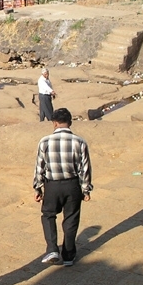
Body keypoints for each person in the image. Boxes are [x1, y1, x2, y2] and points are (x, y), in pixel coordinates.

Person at [33, 108, 93, 267]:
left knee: (48, 215)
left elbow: (40, 167)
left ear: (54, 123)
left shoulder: (44, 141)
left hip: (52, 185)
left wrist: (38, 188)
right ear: (70, 123)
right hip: (72, 184)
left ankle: (52, 248)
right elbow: (85, 168)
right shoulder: (80, 142)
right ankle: (68, 255)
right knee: (71, 218)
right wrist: (86, 189)